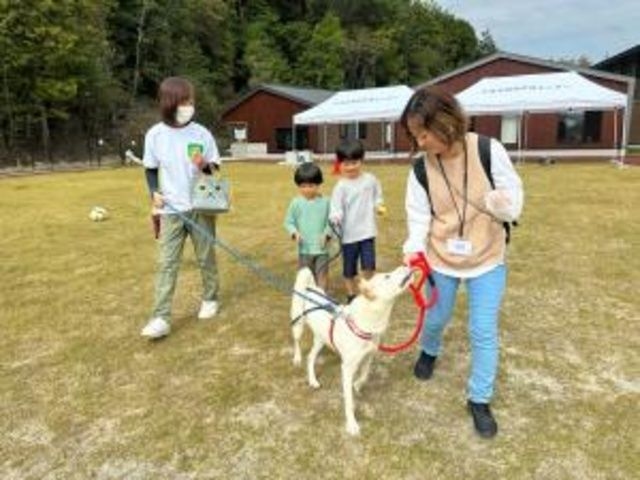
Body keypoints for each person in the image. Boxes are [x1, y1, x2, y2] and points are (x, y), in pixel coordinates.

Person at [401, 86, 523, 438]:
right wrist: (414, 251)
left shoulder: (488, 149)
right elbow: (418, 217)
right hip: (442, 257)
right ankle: (429, 349)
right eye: (414, 135)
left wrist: (503, 205)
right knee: (436, 316)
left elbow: (514, 200)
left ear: (446, 123)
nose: (420, 141)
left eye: (424, 133)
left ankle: (479, 398)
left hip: (487, 256)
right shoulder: (420, 169)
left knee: (483, 330)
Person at [140, 76, 222, 339]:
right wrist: (154, 193)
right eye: (185, 101)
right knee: (167, 262)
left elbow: (214, 170)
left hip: (200, 205)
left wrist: (203, 165)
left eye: (191, 101)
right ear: (169, 102)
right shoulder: (155, 135)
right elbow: (150, 170)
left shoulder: (201, 133)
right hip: (171, 210)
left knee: (205, 255)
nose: (190, 105)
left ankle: (210, 298)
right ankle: (161, 317)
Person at [330, 139, 386, 303]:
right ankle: (351, 295)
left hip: (367, 232)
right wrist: (336, 216)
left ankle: (367, 291)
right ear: (340, 164)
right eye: (346, 163)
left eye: (354, 162)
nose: (350, 167)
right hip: (348, 235)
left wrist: (378, 205)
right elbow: (335, 208)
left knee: (369, 266)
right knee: (349, 269)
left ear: (361, 160)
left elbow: (378, 196)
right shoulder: (341, 186)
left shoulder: (371, 180)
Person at [283, 162, 332, 290]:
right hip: (304, 249)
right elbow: (288, 222)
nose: (307, 189)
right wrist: (295, 233)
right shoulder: (296, 203)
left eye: (311, 185)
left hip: (322, 249)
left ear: (318, 184)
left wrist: (327, 233)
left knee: (322, 275)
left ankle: (322, 299)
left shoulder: (326, 202)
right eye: (303, 186)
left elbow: (331, 221)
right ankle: (306, 299)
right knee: (305, 276)